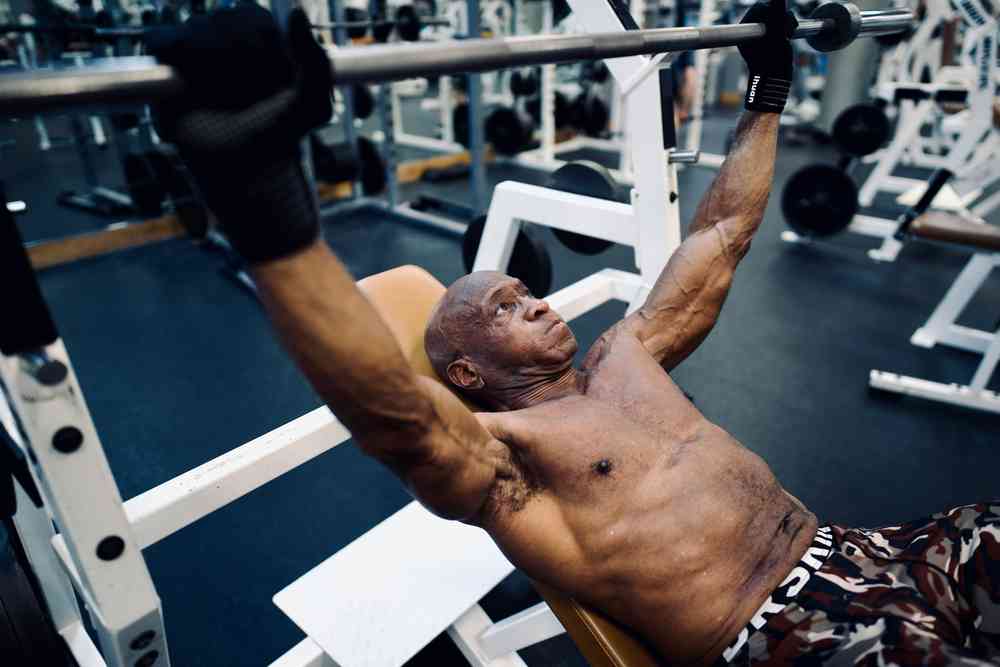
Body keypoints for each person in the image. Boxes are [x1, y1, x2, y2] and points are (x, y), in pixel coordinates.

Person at [146, 4, 1000, 665]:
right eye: (505, 309)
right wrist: (260, 188)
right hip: (790, 629)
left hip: (870, 548)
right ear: (471, 373)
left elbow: (723, 235)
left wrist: (767, 89)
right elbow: (392, 416)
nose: (536, 302)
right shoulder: (506, 459)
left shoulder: (627, 357)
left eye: (525, 290)